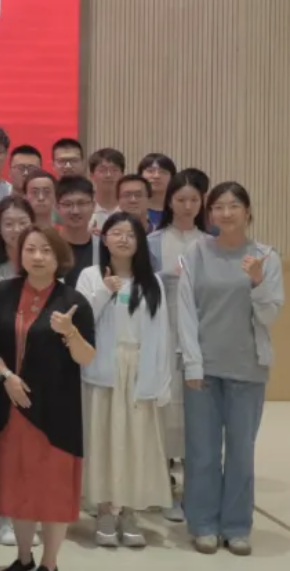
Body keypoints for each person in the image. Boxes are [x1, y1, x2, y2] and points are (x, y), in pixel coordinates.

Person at [177, 182, 284, 555]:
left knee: (240, 452)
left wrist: (257, 281)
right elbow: (185, 311)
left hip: (248, 368)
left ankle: (237, 525)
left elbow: (269, 315)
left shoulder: (266, 256)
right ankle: (203, 523)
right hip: (203, 369)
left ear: (247, 211)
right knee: (202, 451)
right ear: (210, 214)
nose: (226, 213)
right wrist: (192, 363)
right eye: (218, 206)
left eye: (234, 205)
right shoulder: (196, 252)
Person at [0, 226, 96, 571]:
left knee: (52, 490)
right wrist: (5, 376)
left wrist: (70, 332)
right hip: (10, 406)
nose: (37, 256)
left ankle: (49, 563)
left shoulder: (73, 302)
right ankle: (23, 558)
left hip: (54, 413)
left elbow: (87, 357)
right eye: (30, 249)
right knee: (18, 486)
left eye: (46, 250)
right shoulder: (3, 293)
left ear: (59, 257)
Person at [77, 213, 172, 547]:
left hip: (139, 367)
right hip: (103, 369)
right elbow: (80, 323)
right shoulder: (90, 276)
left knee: (137, 442)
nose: (123, 239)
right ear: (104, 239)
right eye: (115, 233)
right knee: (103, 440)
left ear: (139, 241)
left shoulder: (152, 282)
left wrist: (160, 378)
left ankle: (130, 511)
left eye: (130, 234)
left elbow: (162, 333)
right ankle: (104, 510)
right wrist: (104, 291)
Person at [147, 172, 209, 520]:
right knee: (164, 409)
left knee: (196, 411)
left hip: (201, 332)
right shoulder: (153, 241)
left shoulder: (210, 242)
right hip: (162, 329)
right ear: (169, 201)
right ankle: (163, 487)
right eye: (181, 199)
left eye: (194, 200)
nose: (187, 206)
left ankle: (194, 489)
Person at [54, 177, 98, 286]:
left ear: (93, 206)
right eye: (67, 204)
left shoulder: (104, 248)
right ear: (57, 207)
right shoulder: (48, 246)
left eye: (82, 203)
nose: (75, 211)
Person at [88, 149, 127, 230]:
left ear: (122, 175)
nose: (108, 175)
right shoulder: (84, 208)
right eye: (102, 170)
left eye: (114, 170)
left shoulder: (129, 208)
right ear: (92, 176)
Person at [136, 153, 177, 230]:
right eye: (150, 171)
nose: (156, 176)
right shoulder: (133, 207)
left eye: (163, 172)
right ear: (140, 175)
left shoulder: (179, 210)